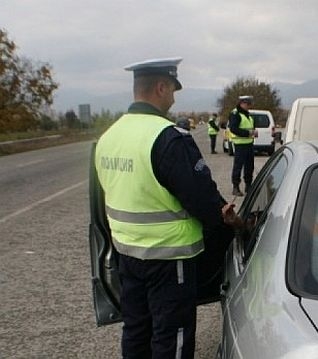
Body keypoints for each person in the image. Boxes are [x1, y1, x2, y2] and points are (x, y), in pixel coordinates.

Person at [94, 57, 237, 358]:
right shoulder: (168, 138)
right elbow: (202, 199)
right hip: (169, 258)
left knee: (136, 330)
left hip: (127, 254)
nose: (173, 97)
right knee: (171, 336)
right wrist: (227, 220)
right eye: (173, 89)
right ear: (161, 87)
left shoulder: (109, 137)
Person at [228, 95, 257, 196]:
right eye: (247, 104)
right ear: (242, 103)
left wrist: (253, 132)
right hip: (240, 145)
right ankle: (235, 187)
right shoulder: (235, 114)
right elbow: (233, 129)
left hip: (249, 144)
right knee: (238, 167)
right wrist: (248, 133)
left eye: (250, 104)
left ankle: (248, 186)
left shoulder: (247, 114)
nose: (249, 106)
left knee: (250, 166)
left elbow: (250, 126)